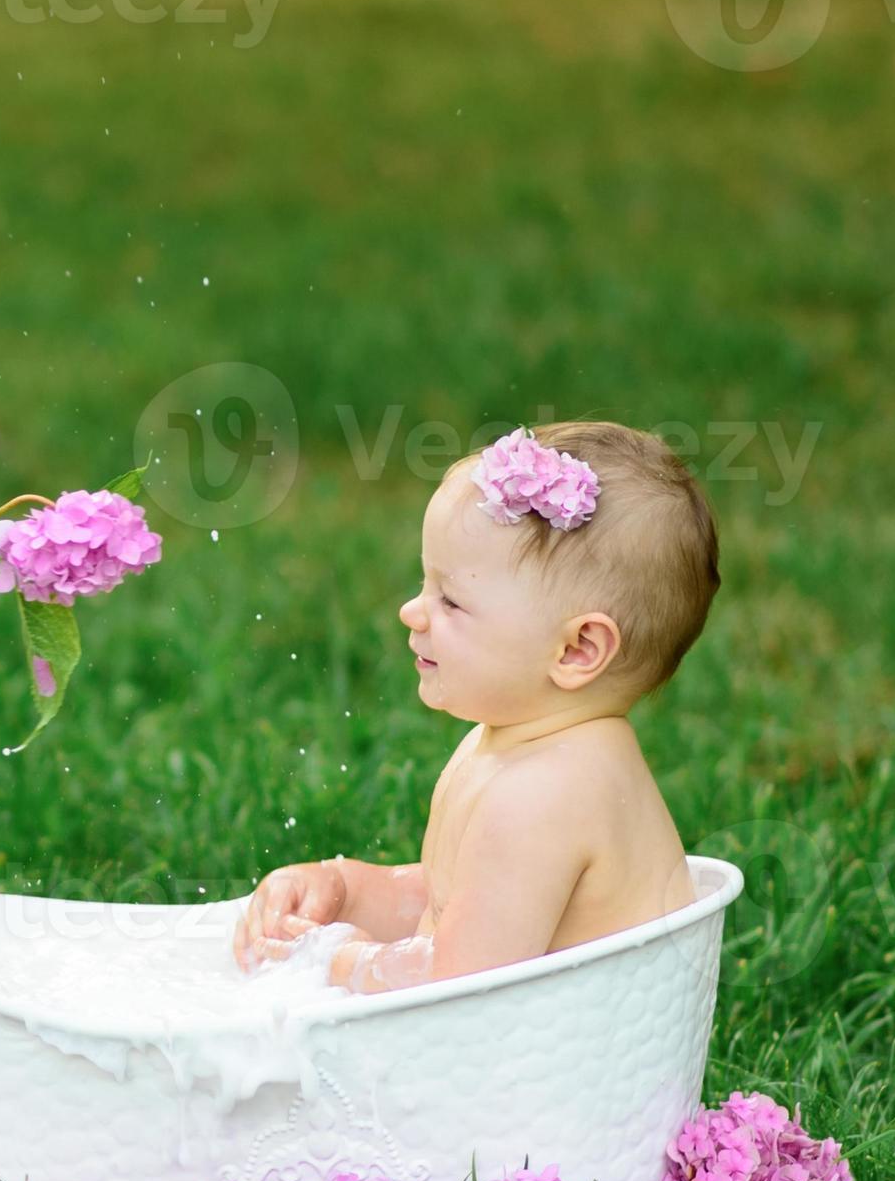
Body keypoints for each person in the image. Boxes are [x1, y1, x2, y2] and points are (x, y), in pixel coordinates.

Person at [233, 423, 716, 991]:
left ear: (578, 649)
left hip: (562, 1069)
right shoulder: (511, 744)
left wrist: (331, 960)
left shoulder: (545, 793)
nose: (411, 611)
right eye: (425, 583)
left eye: (452, 600)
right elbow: (445, 901)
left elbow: (458, 983)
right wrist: (343, 889)